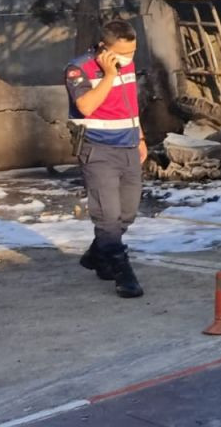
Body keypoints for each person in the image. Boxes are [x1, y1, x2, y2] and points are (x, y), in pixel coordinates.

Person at [66, 20, 148, 298]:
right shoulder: (79, 68)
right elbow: (85, 107)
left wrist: (140, 137)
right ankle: (122, 272)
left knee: (128, 213)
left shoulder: (130, 65)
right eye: (123, 52)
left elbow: (129, 104)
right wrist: (110, 74)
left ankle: (97, 254)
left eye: (133, 51)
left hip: (128, 147)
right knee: (108, 217)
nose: (129, 57)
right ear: (104, 48)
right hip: (98, 150)